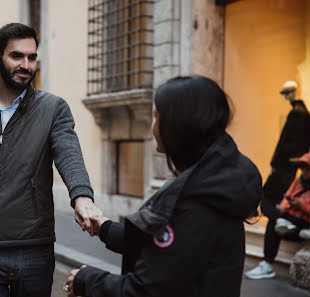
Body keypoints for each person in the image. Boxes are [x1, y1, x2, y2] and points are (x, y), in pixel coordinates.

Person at [0, 23, 101, 297]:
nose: (26, 65)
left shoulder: (53, 108)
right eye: (17, 56)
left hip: (34, 252)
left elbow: (68, 151)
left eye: (32, 57)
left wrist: (82, 196)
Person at [64, 76, 262, 297]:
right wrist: (104, 227)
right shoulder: (213, 182)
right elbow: (162, 245)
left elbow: (147, 290)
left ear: (178, 125)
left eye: (157, 117)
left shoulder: (197, 202)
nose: (153, 126)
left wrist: (87, 280)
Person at [245, 152, 310, 279]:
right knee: (266, 206)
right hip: (289, 217)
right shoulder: (299, 180)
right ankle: (280, 220)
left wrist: (300, 206)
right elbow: (289, 195)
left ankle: (280, 221)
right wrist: (284, 206)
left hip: (303, 221)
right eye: (302, 168)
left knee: (273, 222)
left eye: (306, 168)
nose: (303, 171)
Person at [260, 81, 310, 221]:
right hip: (291, 164)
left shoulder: (297, 114)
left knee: (268, 197)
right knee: (277, 197)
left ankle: (281, 218)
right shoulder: (302, 113)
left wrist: (276, 162)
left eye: (288, 93)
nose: (286, 97)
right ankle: (281, 218)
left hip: (285, 164)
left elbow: (287, 142)